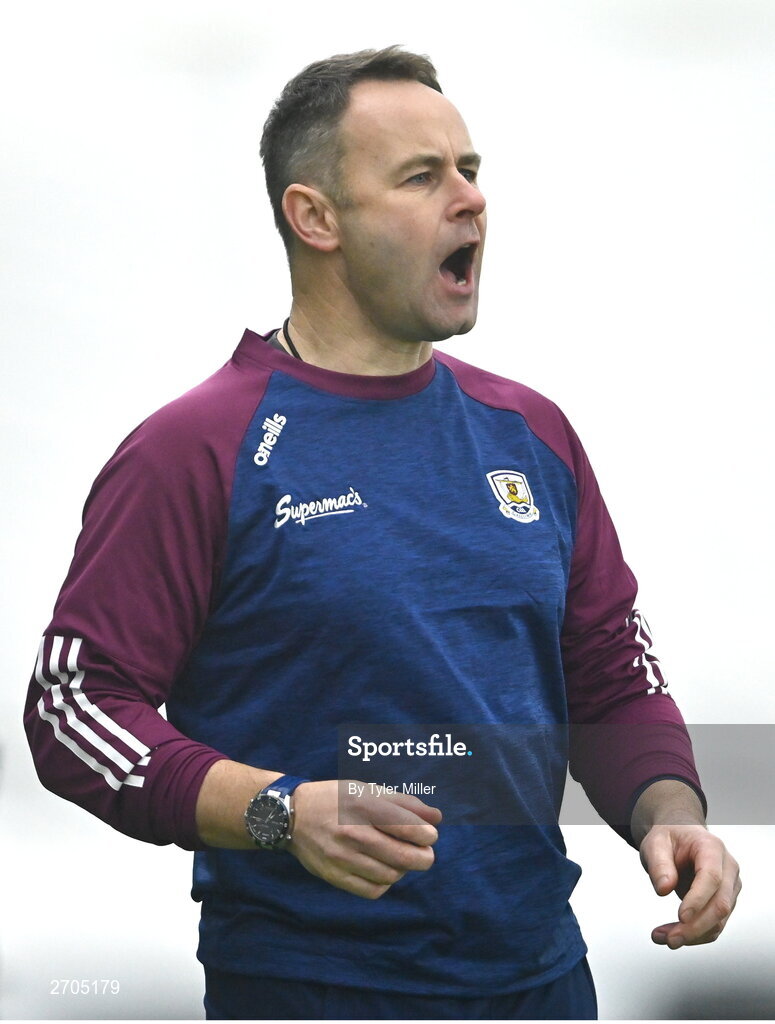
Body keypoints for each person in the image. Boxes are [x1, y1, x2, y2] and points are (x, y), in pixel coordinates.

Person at [24, 46, 741, 1020]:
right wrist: (277, 810)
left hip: (543, 983)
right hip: (312, 988)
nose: (469, 199)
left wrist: (672, 811)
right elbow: (75, 706)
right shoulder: (196, 448)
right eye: (420, 176)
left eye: (470, 171)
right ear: (314, 217)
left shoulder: (529, 433)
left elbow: (608, 667)